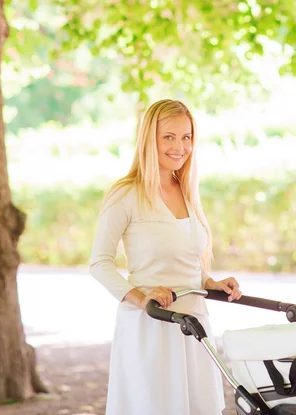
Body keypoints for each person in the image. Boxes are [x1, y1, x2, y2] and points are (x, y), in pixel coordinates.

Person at [89, 99, 242, 415]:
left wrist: (211, 281)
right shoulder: (126, 195)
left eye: (186, 137)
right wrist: (142, 298)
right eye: (168, 137)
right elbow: (99, 263)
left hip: (194, 325)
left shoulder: (185, 190)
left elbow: (185, 256)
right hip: (153, 326)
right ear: (149, 139)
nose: (180, 146)